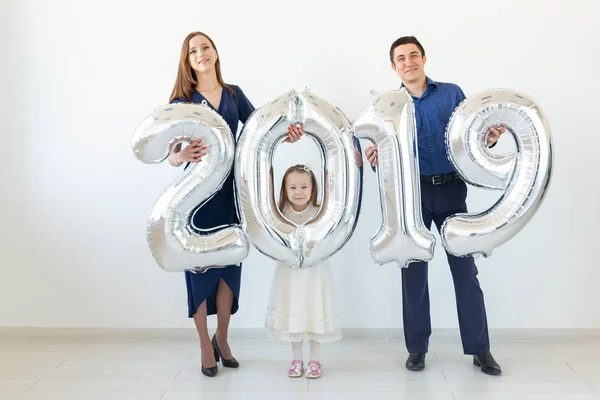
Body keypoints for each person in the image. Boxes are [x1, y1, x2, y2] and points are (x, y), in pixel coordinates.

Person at [364, 36, 505, 376]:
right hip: (411, 196)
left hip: (452, 192)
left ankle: (480, 349)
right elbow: (380, 150)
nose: (408, 61)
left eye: (414, 55)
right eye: (401, 58)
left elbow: (468, 137)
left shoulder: (452, 93)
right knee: (413, 272)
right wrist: (374, 159)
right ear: (394, 67)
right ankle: (416, 349)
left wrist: (491, 138)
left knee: (465, 272)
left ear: (424, 59)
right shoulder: (388, 105)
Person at [166, 31, 297, 377]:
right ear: (187, 60)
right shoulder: (182, 101)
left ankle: (222, 338)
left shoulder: (234, 95)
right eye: (193, 51)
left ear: (215, 52)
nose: (200, 53)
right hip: (195, 200)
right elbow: (170, 154)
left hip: (231, 195)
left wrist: (289, 132)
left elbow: (261, 128)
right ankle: (203, 345)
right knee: (198, 271)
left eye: (205, 47)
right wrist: (182, 154)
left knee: (229, 269)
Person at [265, 158, 361, 379]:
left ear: (313, 189)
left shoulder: (321, 212)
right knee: (294, 312)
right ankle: (296, 359)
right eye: (293, 187)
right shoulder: (278, 213)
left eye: (304, 187)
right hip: (289, 274)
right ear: (285, 190)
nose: (299, 192)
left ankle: (315, 360)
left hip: (315, 273)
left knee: (314, 311)